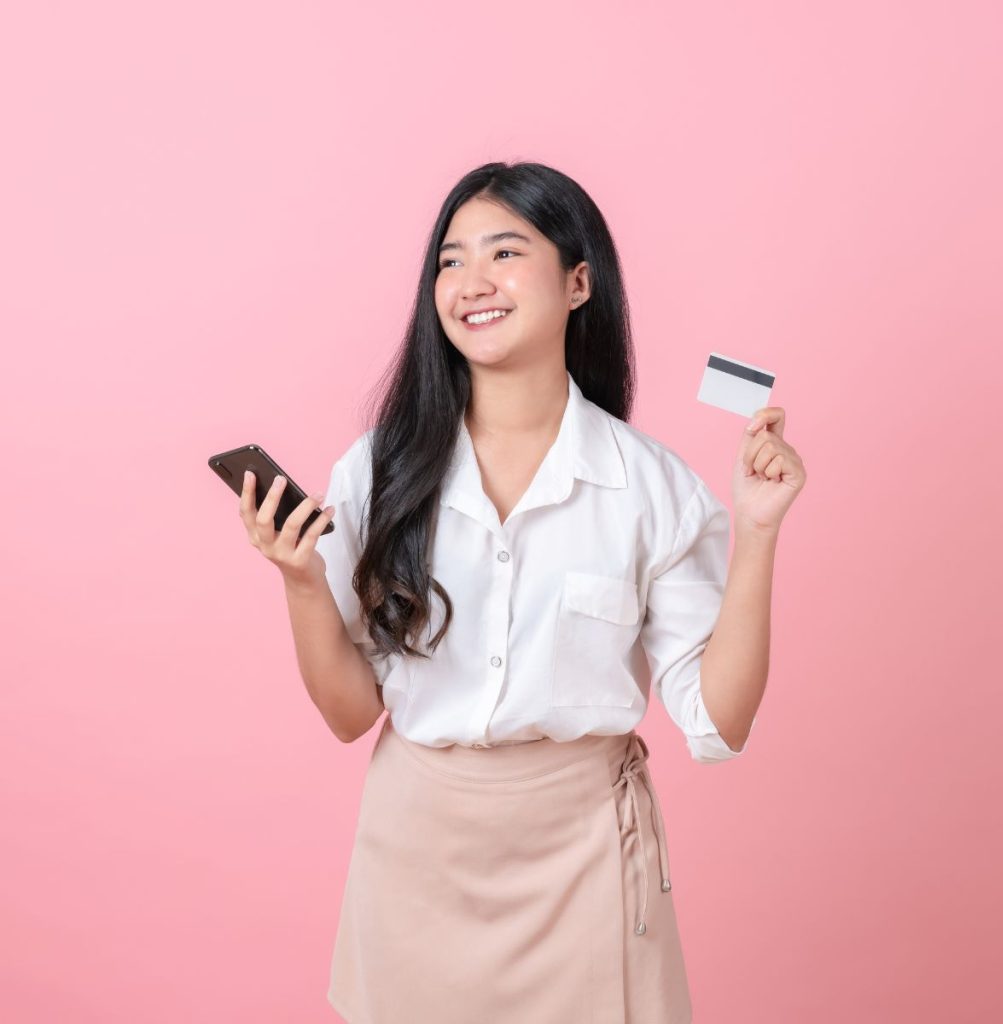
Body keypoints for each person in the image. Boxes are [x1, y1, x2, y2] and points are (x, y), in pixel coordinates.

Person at [238, 161, 807, 1023]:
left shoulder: (652, 487)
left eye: (505, 252)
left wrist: (758, 529)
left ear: (579, 282)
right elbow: (353, 715)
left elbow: (717, 726)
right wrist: (301, 584)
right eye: (450, 261)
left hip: (582, 868)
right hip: (415, 862)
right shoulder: (379, 472)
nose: (472, 284)